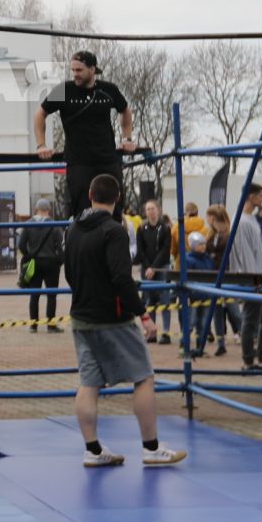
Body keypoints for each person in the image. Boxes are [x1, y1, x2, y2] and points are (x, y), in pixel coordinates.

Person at [65, 174, 187, 469]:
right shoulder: (114, 231)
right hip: (113, 318)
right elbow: (121, 278)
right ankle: (151, 448)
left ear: (91, 194)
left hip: (81, 316)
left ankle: (92, 449)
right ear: (117, 198)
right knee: (143, 377)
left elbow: (68, 271)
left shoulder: (73, 229)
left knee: (89, 382)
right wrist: (144, 316)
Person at [35, 51, 135, 221]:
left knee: (115, 212)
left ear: (92, 69)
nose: (75, 74)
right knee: (81, 213)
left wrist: (127, 139)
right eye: (73, 70)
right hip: (79, 163)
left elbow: (125, 111)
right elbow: (40, 114)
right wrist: (41, 145)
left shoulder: (108, 89)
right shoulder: (64, 89)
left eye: (79, 70)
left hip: (108, 160)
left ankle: (114, 244)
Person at [228, 184, 262, 372]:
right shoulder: (241, 222)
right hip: (254, 279)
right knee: (250, 320)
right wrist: (253, 281)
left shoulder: (251, 220)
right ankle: (249, 362)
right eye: (260, 195)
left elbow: (258, 251)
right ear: (250, 196)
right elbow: (244, 254)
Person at [17, 198, 65, 333]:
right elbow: (61, 246)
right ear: (48, 210)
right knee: (52, 294)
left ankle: (33, 325)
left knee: (34, 294)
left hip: (34, 262)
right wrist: (59, 261)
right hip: (51, 263)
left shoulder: (28, 224)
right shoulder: (55, 225)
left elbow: (21, 245)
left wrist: (28, 255)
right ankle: (50, 325)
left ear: (36, 209)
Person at [200, 206, 240, 357]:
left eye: (209, 216)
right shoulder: (211, 234)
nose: (208, 219)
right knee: (216, 311)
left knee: (233, 309)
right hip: (213, 275)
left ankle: (248, 333)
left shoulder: (229, 233)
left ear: (215, 217)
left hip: (227, 275)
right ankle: (220, 344)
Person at [136, 199, 175, 346]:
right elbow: (140, 251)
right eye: (148, 209)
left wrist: (154, 267)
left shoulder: (165, 228)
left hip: (161, 267)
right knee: (149, 300)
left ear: (158, 210)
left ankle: (166, 332)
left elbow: (165, 250)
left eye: (152, 208)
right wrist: (147, 267)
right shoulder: (141, 228)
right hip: (146, 269)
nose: (150, 211)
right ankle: (151, 332)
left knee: (165, 299)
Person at [181, 230, 215, 358]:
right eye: (200, 244)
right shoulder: (188, 259)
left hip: (206, 295)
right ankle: (184, 346)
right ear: (193, 246)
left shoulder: (207, 259)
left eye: (203, 244)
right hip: (194, 296)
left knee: (203, 323)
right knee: (190, 322)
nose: (203, 247)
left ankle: (200, 347)